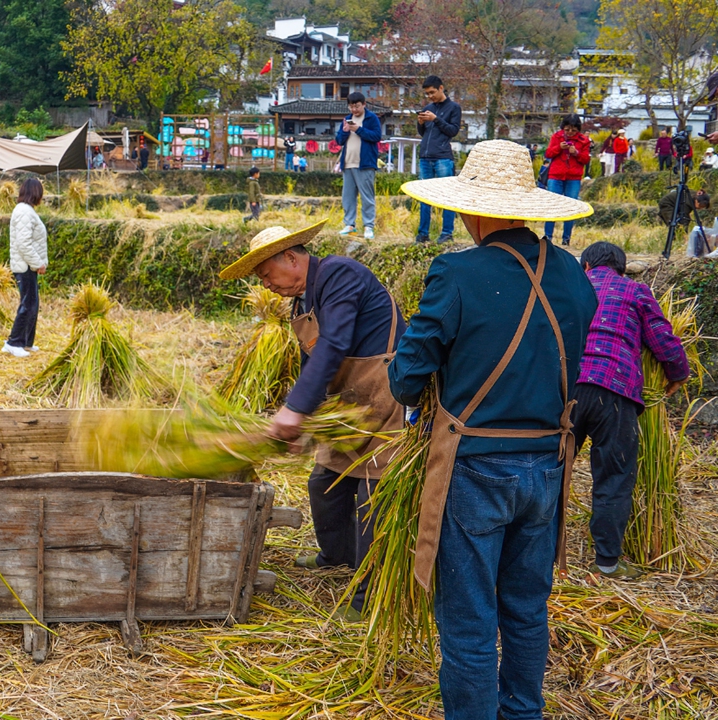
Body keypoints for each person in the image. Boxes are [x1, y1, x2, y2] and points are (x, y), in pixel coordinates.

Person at [389, 139, 597, 720]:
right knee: (528, 610)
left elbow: (408, 375)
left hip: (476, 469)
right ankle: (522, 713)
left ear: (475, 209)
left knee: (470, 617)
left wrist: (412, 388)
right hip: (548, 469)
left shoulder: (456, 271)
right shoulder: (574, 277)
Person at [218, 221, 405, 622]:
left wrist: (294, 408)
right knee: (325, 483)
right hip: (349, 403)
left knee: (373, 496)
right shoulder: (300, 303)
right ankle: (335, 557)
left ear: (291, 257)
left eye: (267, 274)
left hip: (385, 395)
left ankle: (367, 599)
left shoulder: (340, 274)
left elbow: (335, 343)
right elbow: (313, 360)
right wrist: (306, 418)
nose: (266, 284)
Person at [574, 242, 690, 580]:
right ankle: (607, 563)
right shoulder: (635, 291)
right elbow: (663, 338)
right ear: (621, 269)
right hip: (615, 389)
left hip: (565, 391)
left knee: (552, 471)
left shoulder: (569, 287)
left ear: (585, 266)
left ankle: (544, 554)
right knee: (613, 477)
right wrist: (678, 373)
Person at [415, 75, 462, 243]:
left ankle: (447, 232)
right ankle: (423, 233)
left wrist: (436, 119)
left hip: (443, 157)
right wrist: (420, 123)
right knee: (424, 197)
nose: (430, 96)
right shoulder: (428, 107)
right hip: (425, 156)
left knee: (446, 196)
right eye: (427, 93)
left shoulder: (454, 108)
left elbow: (453, 130)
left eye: (432, 92)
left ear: (441, 88)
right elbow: (424, 133)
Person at [4, 178, 48, 358]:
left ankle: (26, 342)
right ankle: (13, 342)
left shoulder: (27, 211)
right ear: (35, 193)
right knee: (27, 304)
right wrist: (38, 263)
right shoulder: (23, 211)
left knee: (32, 304)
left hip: (28, 265)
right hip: (25, 267)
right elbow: (24, 243)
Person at [334, 92, 382, 240]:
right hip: (348, 163)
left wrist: (358, 130)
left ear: (364, 105)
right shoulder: (347, 119)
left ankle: (368, 226)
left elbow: (376, 136)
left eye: (357, 106)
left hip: (365, 164)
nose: (354, 110)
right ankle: (349, 225)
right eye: (351, 106)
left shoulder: (371, 118)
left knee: (367, 196)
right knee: (347, 196)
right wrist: (345, 131)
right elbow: (339, 141)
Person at [543, 114, 591, 246]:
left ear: (578, 129)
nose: (570, 132)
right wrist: (559, 147)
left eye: (573, 130)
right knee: (552, 206)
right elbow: (548, 154)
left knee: (571, 208)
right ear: (563, 128)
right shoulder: (556, 137)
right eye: (567, 129)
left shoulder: (584, 140)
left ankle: (566, 239)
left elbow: (586, 160)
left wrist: (576, 153)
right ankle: (547, 238)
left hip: (573, 178)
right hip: (555, 176)